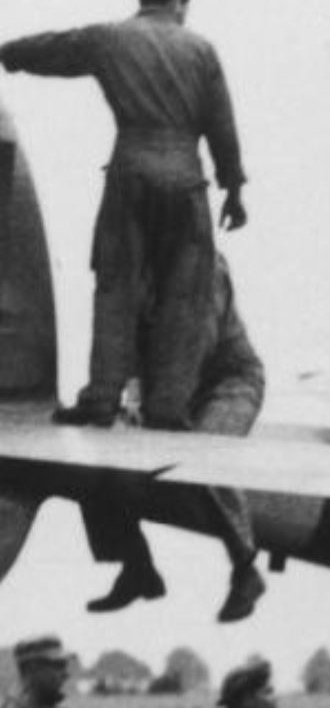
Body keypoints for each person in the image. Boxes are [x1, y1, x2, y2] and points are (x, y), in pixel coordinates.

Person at [0, 0, 249, 428]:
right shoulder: (201, 50)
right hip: (184, 178)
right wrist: (233, 190)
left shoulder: (110, 38)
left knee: (116, 288)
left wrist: (8, 55)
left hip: (130, 172)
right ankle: (168, 409)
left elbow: (54, 48)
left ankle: (100, 400)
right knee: (183, 295)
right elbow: (222, 126)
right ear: (178, 2)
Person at [79, 253, 269, 622]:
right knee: (96, 458)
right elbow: (123, 343)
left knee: (204, 456)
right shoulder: (133, 270)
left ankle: (246, 568)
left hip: (227, 383)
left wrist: (158, 413)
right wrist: (123, 402)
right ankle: (137, 568)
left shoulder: (205, 267)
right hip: (162, 389)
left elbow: (197, 343)